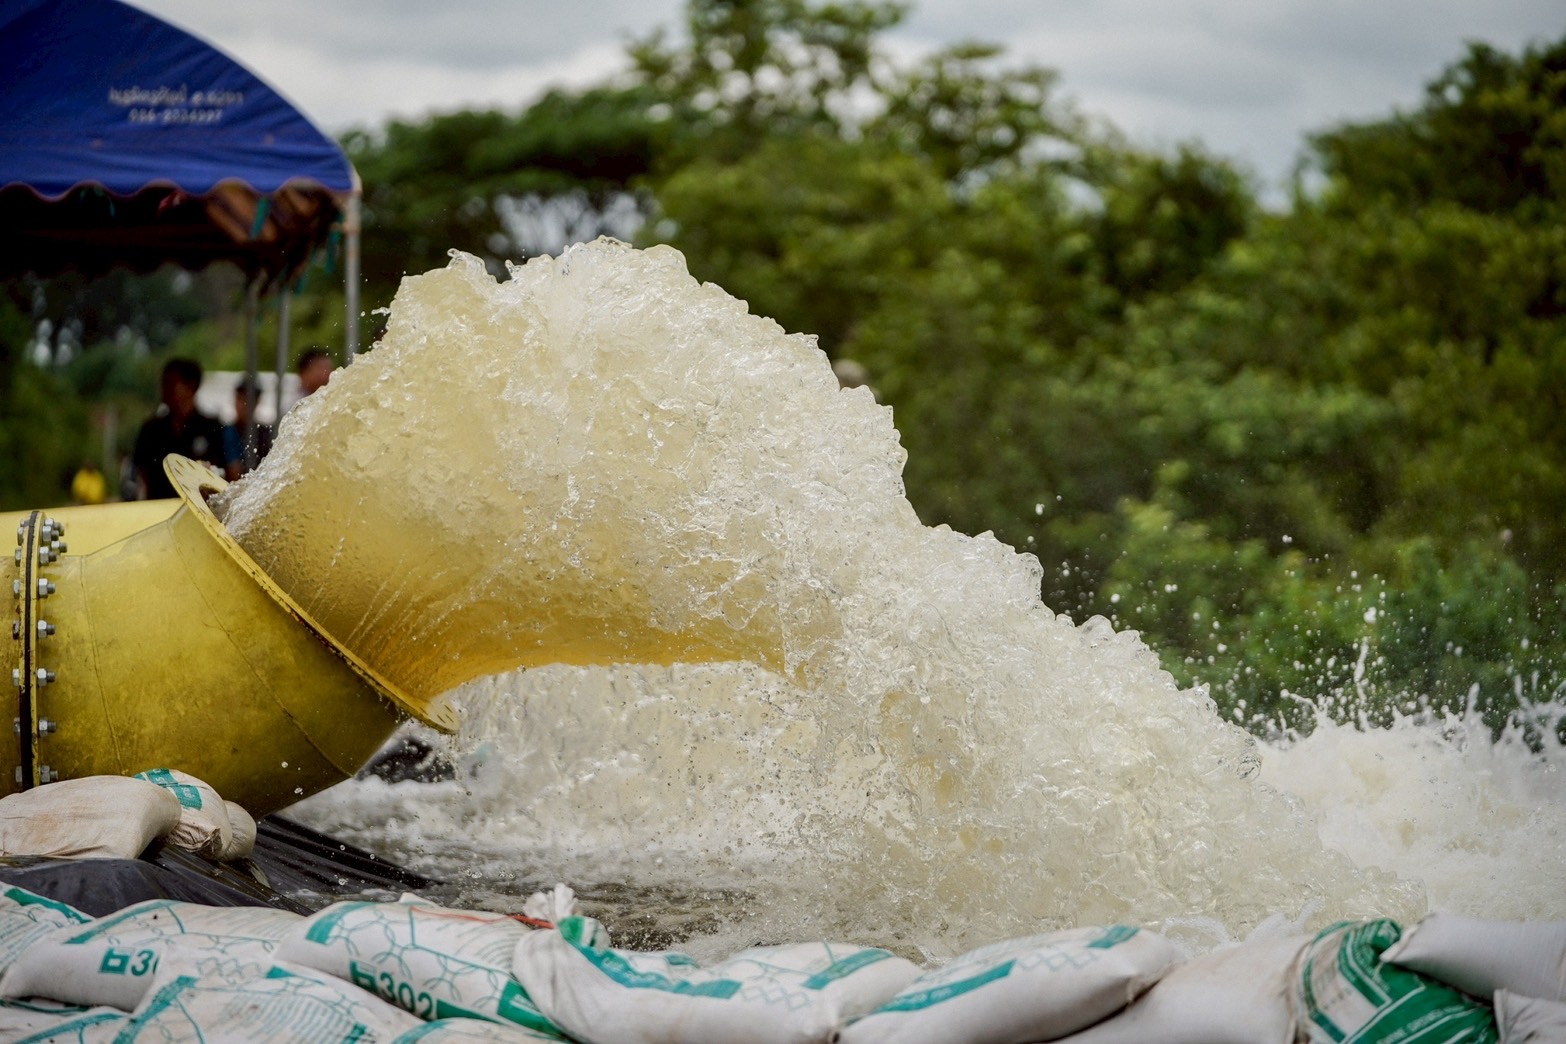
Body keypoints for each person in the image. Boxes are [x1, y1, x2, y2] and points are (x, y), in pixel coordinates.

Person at [132, 357, 225, 499]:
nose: (164, 389)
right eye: (163, 383)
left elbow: (226, 473)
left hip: (200, 511)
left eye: (170, 383)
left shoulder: (212, 428)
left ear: (191, 386)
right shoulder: (151, 429)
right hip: (159, 508)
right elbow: (141, 473)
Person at [223, 376, 274, 481]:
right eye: (240, 399)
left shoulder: (265, 435)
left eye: (247, 400)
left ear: (257, 403)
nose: (243, 405)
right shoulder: (223, 431)